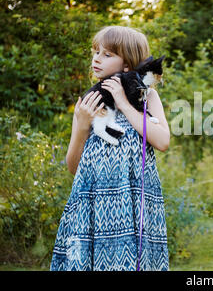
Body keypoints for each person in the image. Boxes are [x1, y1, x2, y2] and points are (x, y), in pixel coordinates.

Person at [50, 26, 170, 271]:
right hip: (94, 199)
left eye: (107, 54)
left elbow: (162, 141)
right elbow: (74, 168)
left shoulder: (147, 97)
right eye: (95, 52)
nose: (96, 59)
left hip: (135, 197)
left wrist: (125, 104)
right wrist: (83, 125)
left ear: (127, 65)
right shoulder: (88, 102)